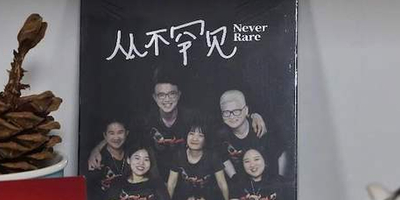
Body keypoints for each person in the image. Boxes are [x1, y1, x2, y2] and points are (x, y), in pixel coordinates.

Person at [89, 71, 267, 182]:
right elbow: (122, 135)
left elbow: (226, 117)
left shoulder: (192, 116)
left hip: (188, 181)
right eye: (161, 95)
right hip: (156, 181)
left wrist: (252, 115)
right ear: (154, 98)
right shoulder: (146, 120)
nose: (167, 99)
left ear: (179, 95)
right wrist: (97, 148)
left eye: (171, 94)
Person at [167, 119, 230, 200]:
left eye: (200, 135)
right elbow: (171, 184)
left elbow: (222, 183)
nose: (195, 139)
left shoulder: (212, 156)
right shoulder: (178, 155)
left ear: (205, 139)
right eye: (191, 134)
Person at [217, 90, 284, 178]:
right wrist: (235, 178)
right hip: (243, 182)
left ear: (246, 110)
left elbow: (280, 155)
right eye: (226, 112)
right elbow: (223, 159)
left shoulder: (260, 127)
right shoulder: (221, 135)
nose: (231, 116)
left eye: (236, 111)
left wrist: (279, 180)